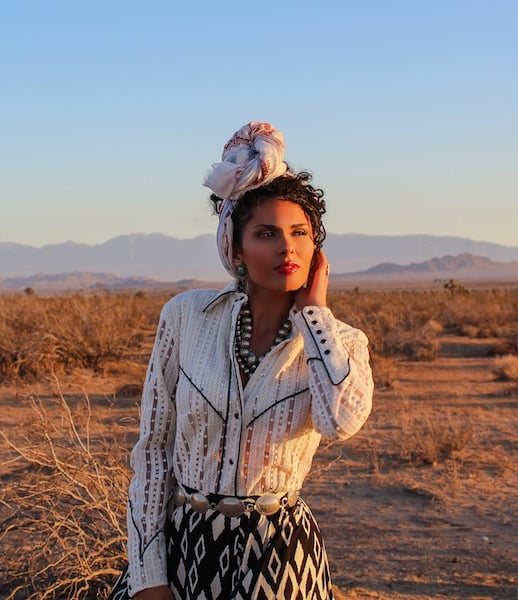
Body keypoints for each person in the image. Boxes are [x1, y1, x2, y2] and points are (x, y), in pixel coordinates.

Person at [109, 121, 374, 600]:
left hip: (279, 555)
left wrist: (314, 315)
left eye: (300, 232)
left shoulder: (342, 342)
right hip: (184, 546)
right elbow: (152, 451)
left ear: (317, 247)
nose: (286, 247)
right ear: (235, 246)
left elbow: (341, 422)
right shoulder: (186, 317)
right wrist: (149, 576)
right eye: (267, 233)